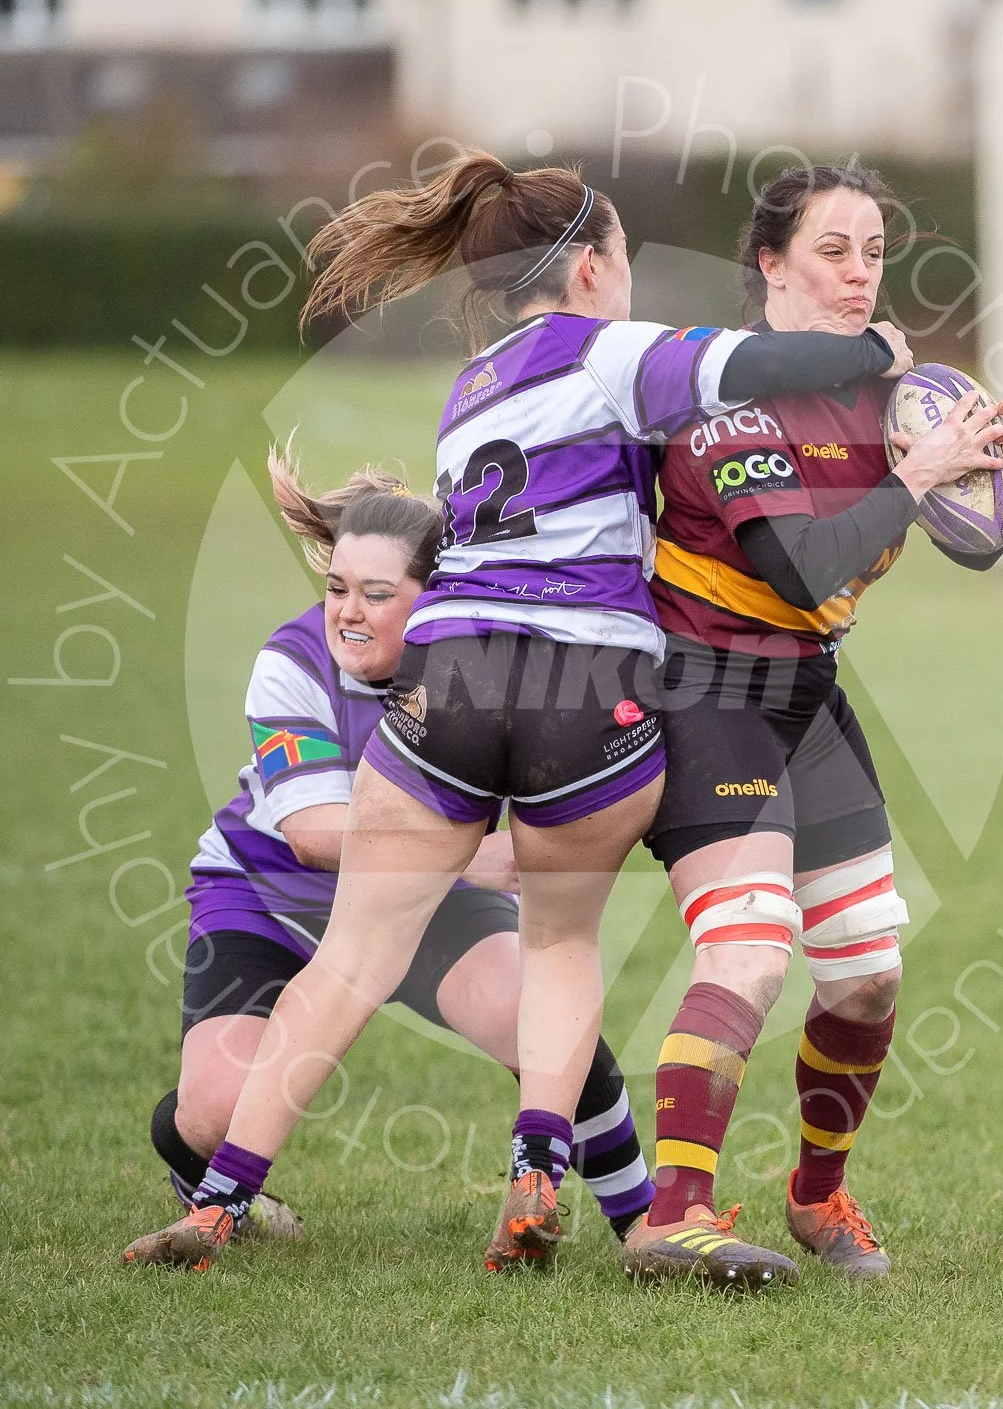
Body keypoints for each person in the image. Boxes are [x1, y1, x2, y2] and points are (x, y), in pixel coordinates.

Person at [122, 150, 913, 1279]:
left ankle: (216, 1206)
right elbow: (765, 361)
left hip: (449, 681)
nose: (629, 281)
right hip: (582, 689)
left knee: (348, 958)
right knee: (559, 940)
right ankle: (538, 1170)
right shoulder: (611, 351)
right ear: (590, 267)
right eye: (625, 259)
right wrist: (876, 353)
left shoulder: (472, 389)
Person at [622, 162, 1003, 1286]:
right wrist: (919, 476)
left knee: (868, 974)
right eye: (832, 251)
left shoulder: (891, 402)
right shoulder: (724, 398)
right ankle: (674, 1214)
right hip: (707, 692)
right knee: (750, 949)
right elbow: (800, 564)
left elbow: (974, 543)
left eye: (874, 253)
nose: (859, 275)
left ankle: (816, 1196)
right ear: (770, 266)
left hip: (807, 699)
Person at [140, 444, 654, 1260]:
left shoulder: (477, 665)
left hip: (434, 901)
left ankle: (643, 1224)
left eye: (377, 595)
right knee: (217, 1110)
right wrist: (473, 858)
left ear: (437, 594)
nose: (347, 612)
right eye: (337, 588)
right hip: (272, 898)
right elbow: (311, 835)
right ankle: (199, 1171)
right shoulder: (293, 661)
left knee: (533, 1020)